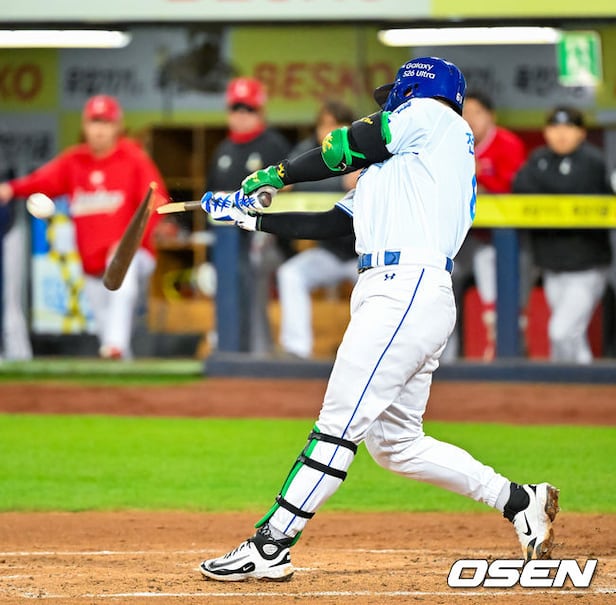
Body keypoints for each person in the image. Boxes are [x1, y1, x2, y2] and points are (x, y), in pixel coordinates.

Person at [198, 56, 559, 582]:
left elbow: (346, 144)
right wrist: (247, 216)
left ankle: (271, 543)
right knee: (396, 445)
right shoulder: (404, 168)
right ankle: (520, 501)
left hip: (405, 287)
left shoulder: (434, 117)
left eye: (396, 96)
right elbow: (331, 225)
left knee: (338, 423)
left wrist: (273, 175)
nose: (389, 104)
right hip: (398, 291)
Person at [0, 94, 169, 360]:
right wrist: (11, 189)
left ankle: (115, 345)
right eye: (94, 122)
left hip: (133, 254)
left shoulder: (133, 158)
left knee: (121, 275)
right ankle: (119, 359)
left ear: (117, 126)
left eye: (105, 123)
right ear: (85, 126)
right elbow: (41, 181)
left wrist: (130, 241)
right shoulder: (75, 161)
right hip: (92, 263)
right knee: (106, 326)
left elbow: (156, 203)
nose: (99, 129)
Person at [513, 106, 613, 364]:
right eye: (554, 127)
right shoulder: (538, 157)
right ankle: (580, 383)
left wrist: (544, 188)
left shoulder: (592, 160)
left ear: (581, 132)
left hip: (586, 267)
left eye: (568, 127)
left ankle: (562, 379)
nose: (561, 134)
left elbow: (572, 187)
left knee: (560, 331)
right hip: (551, 265)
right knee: (573, 335)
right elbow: (520, 186)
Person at [206, 77, 291, 353]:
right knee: (229, 279)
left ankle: (258, 352)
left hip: (267, 235)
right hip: (227, 241)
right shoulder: (222, 150)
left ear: (261, 111)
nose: (241, 115)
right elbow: (211, 203)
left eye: (249, 108)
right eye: (236, 108)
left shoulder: (274, 145)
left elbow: (290, 189)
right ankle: (229, 348)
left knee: (252, 269)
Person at [442, 90, 527, 361]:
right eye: (465, 113)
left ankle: (497, 336)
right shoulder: (448, 142)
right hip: (460, 238)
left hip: (502, 240)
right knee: (440, 278)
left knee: (486, 259)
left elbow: (515, 191)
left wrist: (481, 175)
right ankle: (444, 355)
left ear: (491, 116)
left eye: (477, 113)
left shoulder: (507, 144)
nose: (470, 119)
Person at [278, 99, 358, 359]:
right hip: (331, 251)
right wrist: (339, 184)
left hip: (365, 253)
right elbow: (290, 180)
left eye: (336, 124)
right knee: (291, 274)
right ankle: (296, 350)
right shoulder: (310, 150)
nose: (328, 130)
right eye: (324, 124)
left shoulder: (362, 148)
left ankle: (367, 352)